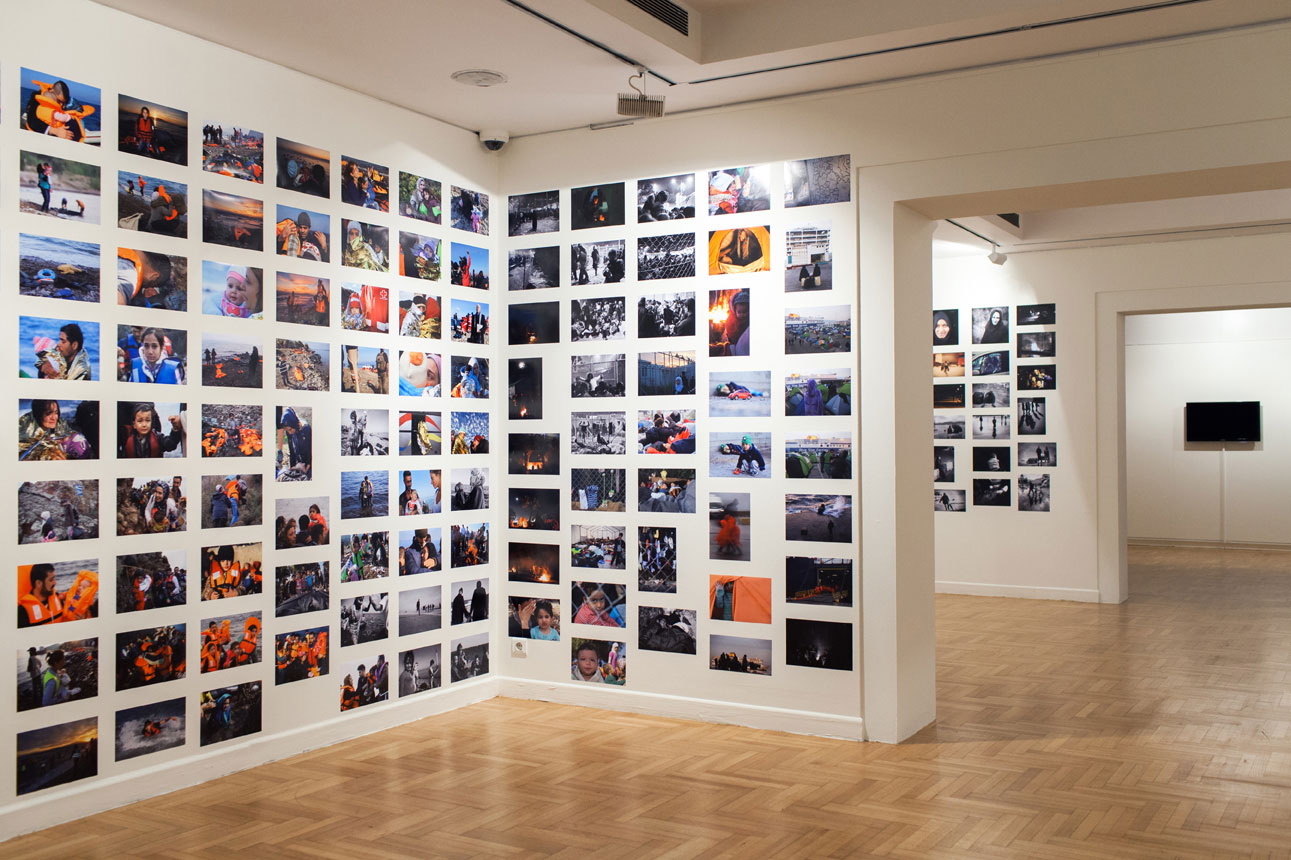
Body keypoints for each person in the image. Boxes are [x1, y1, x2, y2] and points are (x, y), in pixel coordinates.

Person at [19, 399, 91, 461]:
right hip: (35, 455)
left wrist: (65, 439)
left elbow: (68, 432)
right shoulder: (25, 426)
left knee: (78, 443)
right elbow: (19, 453)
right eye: (48, 413)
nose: (54, 417)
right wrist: (47, 454)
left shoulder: (60, 422)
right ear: (38, 414)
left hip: (51, 444)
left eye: (56, 412)